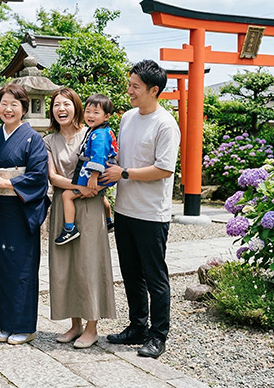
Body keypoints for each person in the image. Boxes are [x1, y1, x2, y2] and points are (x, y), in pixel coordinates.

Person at [100, 59, 180, 359]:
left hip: (151, 214)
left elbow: (163, 169)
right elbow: (121, 155)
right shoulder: (128, 118)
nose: (129, 90)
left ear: (154, 90)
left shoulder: (166, 125)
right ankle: (137, 327)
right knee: (131, 273)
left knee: (155, 276)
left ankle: (158, 336)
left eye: (135, 86)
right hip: (124, 210)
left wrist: (124, 173)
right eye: (130, 84)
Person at [44, 87, 116, 349]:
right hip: (66, 203)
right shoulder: (49, 141)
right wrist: (80, 188)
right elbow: (53, 177)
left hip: (90, 204)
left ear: (76, 107)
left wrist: (96, 189)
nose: (61, 109)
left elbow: (106, 163)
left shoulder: (93, 133)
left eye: (66, 104)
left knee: (89, 262)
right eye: (56, 105)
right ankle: (74, 324)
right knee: (65, 265)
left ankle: (92, 326)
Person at [0, 83, 49, 345]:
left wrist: (8, 183)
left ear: (24, 109)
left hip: (21, 210)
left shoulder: (33, 138)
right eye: (4, 104)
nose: (7, 109)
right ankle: (4, 322)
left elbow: (38, 177)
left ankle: (24, 325)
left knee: (20, 267)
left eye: (14, 105)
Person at [55, 93, 118, 245]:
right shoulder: (98, 130)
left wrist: (94, 176)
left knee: (67, 196)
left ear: (106, 116)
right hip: (104, 173)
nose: (90, 115)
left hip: (98, 174)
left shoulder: (99, 134)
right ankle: (109, 221)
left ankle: (69, 228)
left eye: (96, 113)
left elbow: (98, 156)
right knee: (102, 196)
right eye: (88, 111)